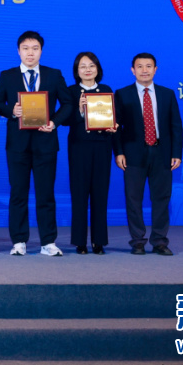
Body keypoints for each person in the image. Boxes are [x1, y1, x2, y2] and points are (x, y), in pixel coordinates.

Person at [0, 30, 75, 257]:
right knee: (18, 193)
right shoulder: (7, 75)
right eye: (26, 49)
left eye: (35, 49)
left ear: (41, 51)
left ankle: (48, 242)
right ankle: (19, 241)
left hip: (45, 142)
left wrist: (54, 122)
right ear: (18, 51)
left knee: (45, 194)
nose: (30, 53)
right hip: (17, 145)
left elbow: (68, 104)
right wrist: (12, 110)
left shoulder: (53, 75)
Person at [113, 52, 183, 256]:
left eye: (149, 66)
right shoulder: (122, 94)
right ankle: (137, 241)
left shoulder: (167, 94)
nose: (144, 70)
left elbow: (176, 126)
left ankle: (159, 241)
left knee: (161, 198)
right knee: (133, 199)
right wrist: (119, 152)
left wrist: (176, 153)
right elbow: (115, 127)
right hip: (133, 154)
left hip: (162, 153)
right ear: (132, 70)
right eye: (140, 66)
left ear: (155, 69)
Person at [64, 51, 116, 255]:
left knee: (100, 194)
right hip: (79, 147)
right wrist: (79, 110)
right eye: (83, 66)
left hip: (102, 146)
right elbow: (65, 120)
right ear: (77, 71)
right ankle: (80, 242)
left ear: (98, 69)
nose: (88, 70)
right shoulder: (70, 91)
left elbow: (112, 117)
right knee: (79, 194)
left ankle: (99, 241)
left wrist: (113, 126)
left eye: (91, 65)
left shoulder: (106, 90)